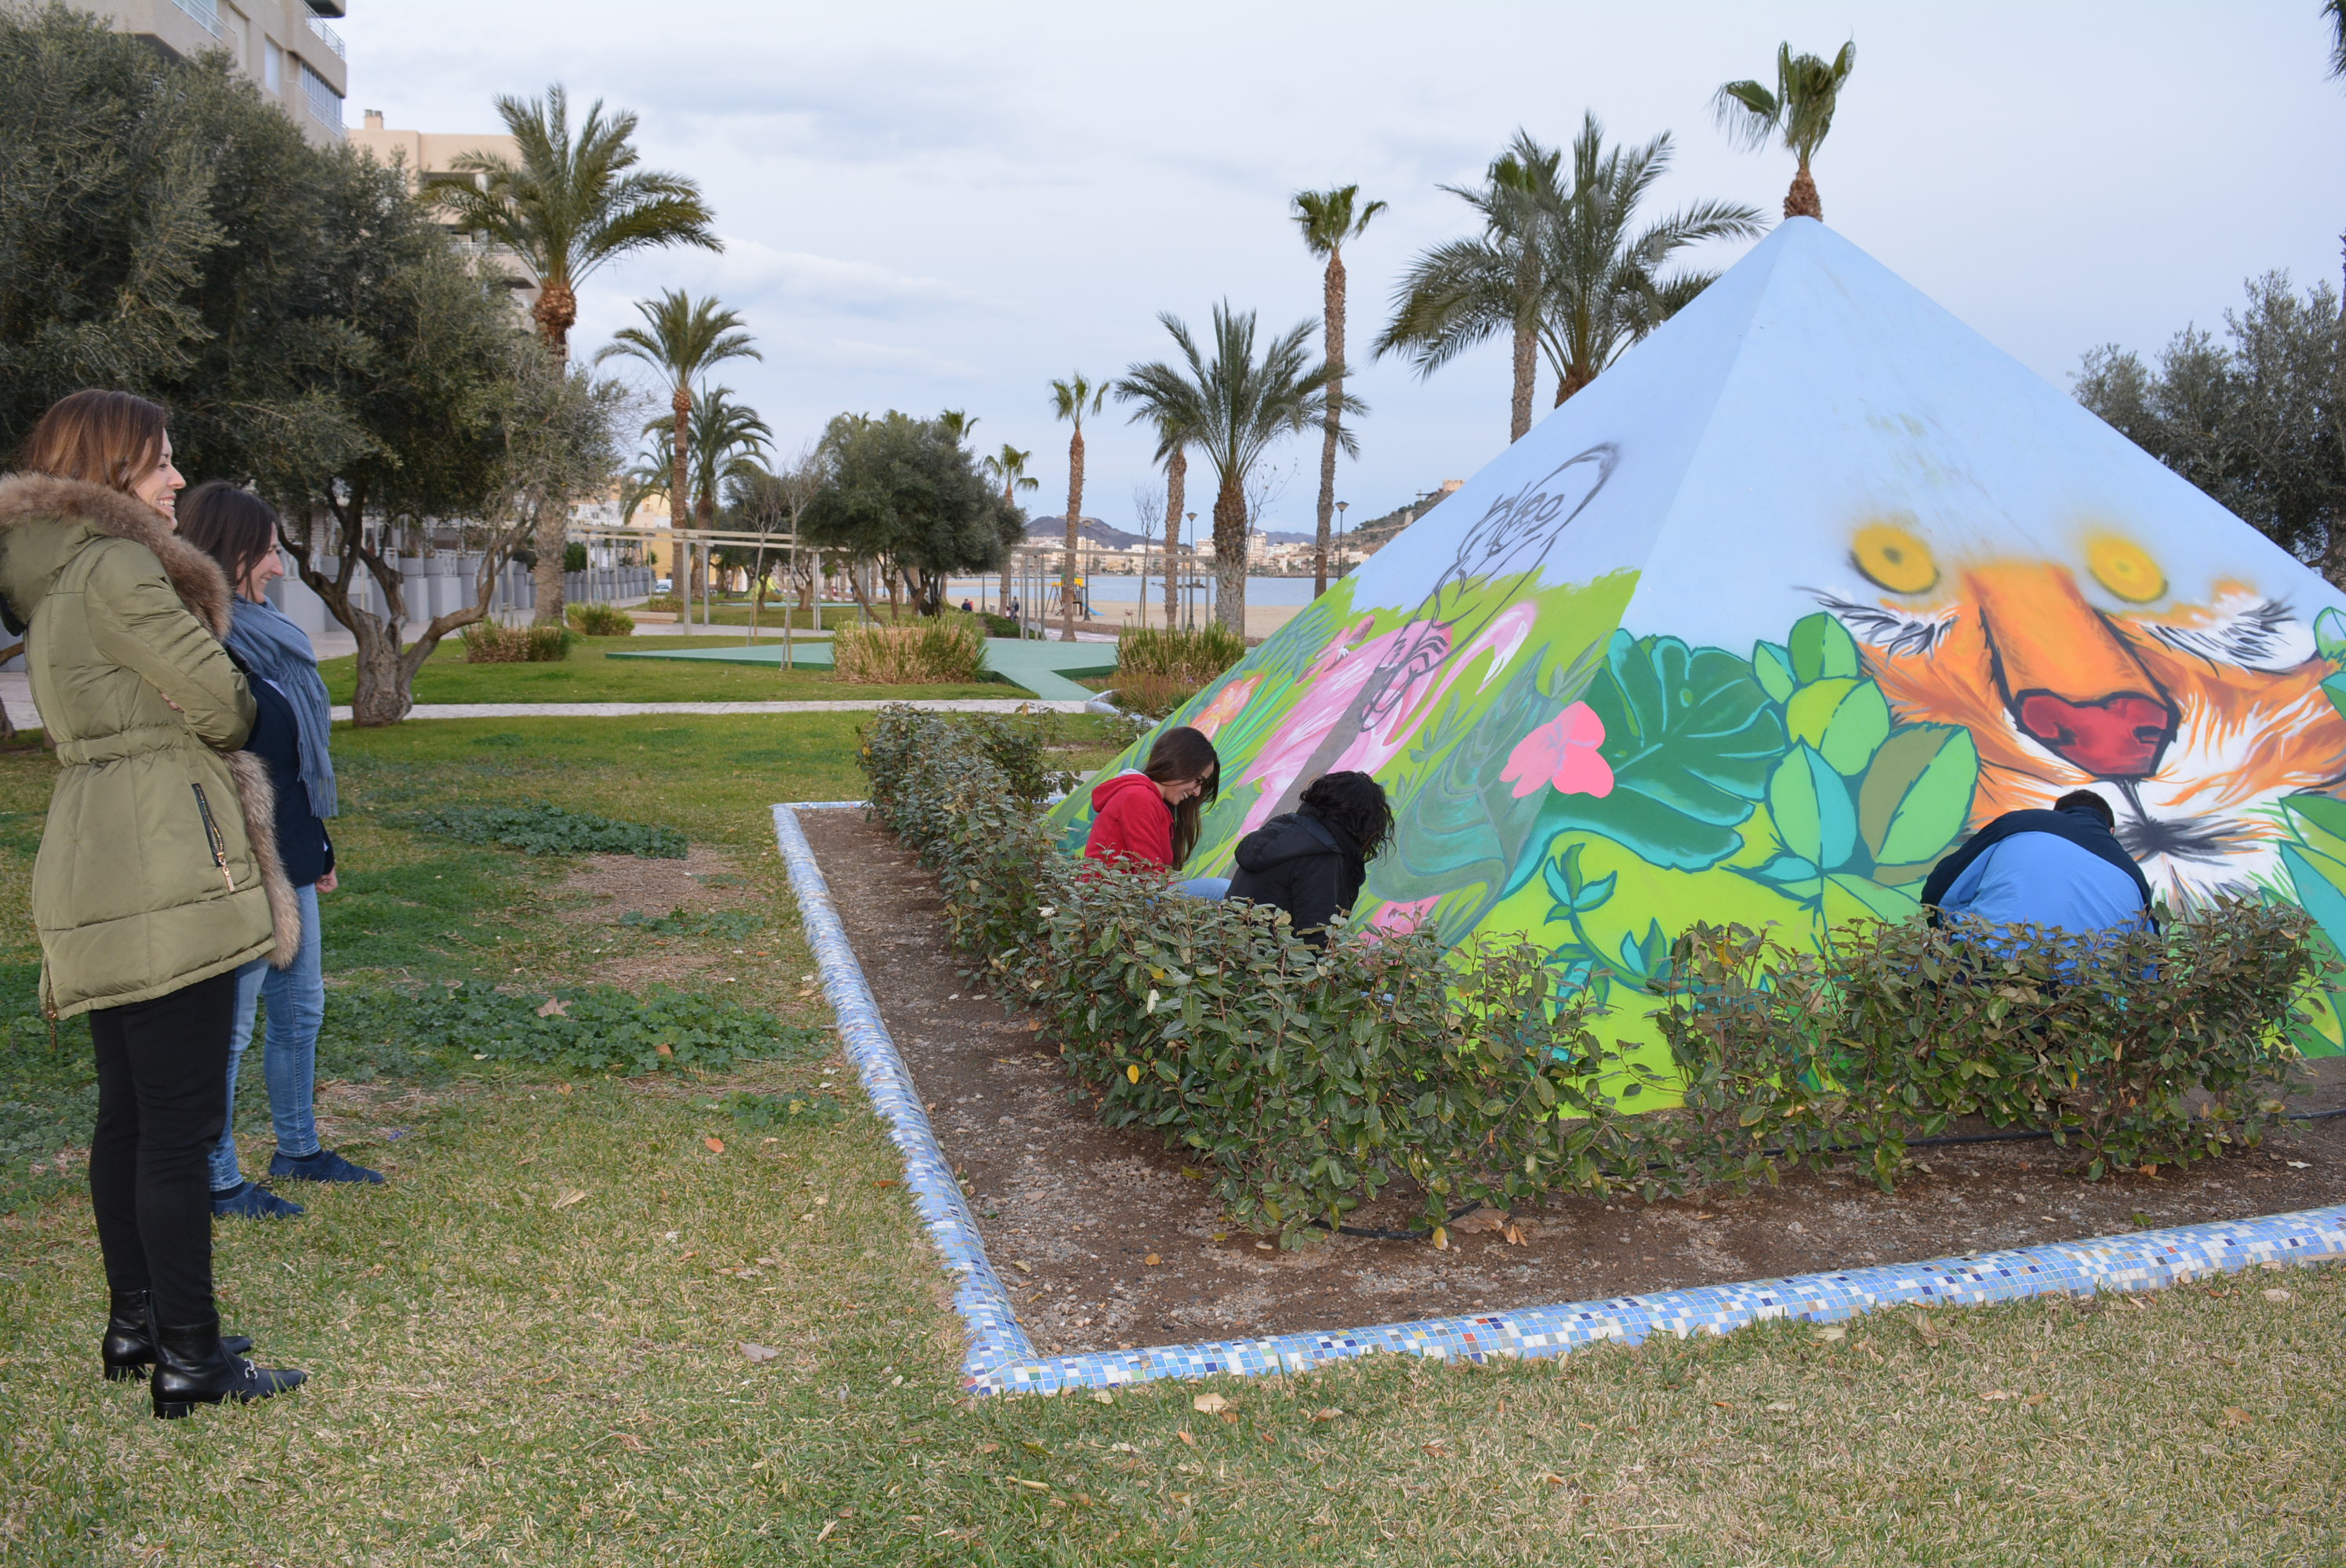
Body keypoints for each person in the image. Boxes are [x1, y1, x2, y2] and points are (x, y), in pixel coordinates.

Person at [0, 390, 305, 1416]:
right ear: (116, 469)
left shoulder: (53, 578)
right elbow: (225, 702)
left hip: (95, 846)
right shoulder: (123, 568)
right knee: (175, 1129)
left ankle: (139, 1323)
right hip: (164, 856)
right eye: (163, 462)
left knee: (129, 1116)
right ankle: (192, 1358)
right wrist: (225, 691)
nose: (179, 478)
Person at [179, 484, 381, 1219]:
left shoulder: (267, 633)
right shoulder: (200, 642)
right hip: (234, 865)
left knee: (301, 1012)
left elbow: (291, 760)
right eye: (268, 551)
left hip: (290, 850)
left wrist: (317, 846)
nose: (279, 567)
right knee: (227, 1031)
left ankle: (297, 1148)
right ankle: (216, 1178)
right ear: (231, 552)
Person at [1919, 789, 2152, 935]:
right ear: (2110, 831)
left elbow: (1939, 891)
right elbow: (2148, 962)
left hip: (1986, 968)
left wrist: (1951, 932)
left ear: (2059, 814)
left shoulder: (2022, 823)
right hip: (2077, 999)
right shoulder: (2133, 874)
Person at [1227, 771, 1392, 946]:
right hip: (1265, 965)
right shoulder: (1322, 855)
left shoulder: (1282, 828)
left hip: (1227, 949)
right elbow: (1315, 938)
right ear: (1364, 822)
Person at [1081, 726, 1227, 895]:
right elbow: (1149, 874)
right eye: (1198, 781)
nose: (1197, 792)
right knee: (1222, 890)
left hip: (1126, 901)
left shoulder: (1153, 802)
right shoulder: (1138, 797)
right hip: (1109, 905)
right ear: (1180, 765)